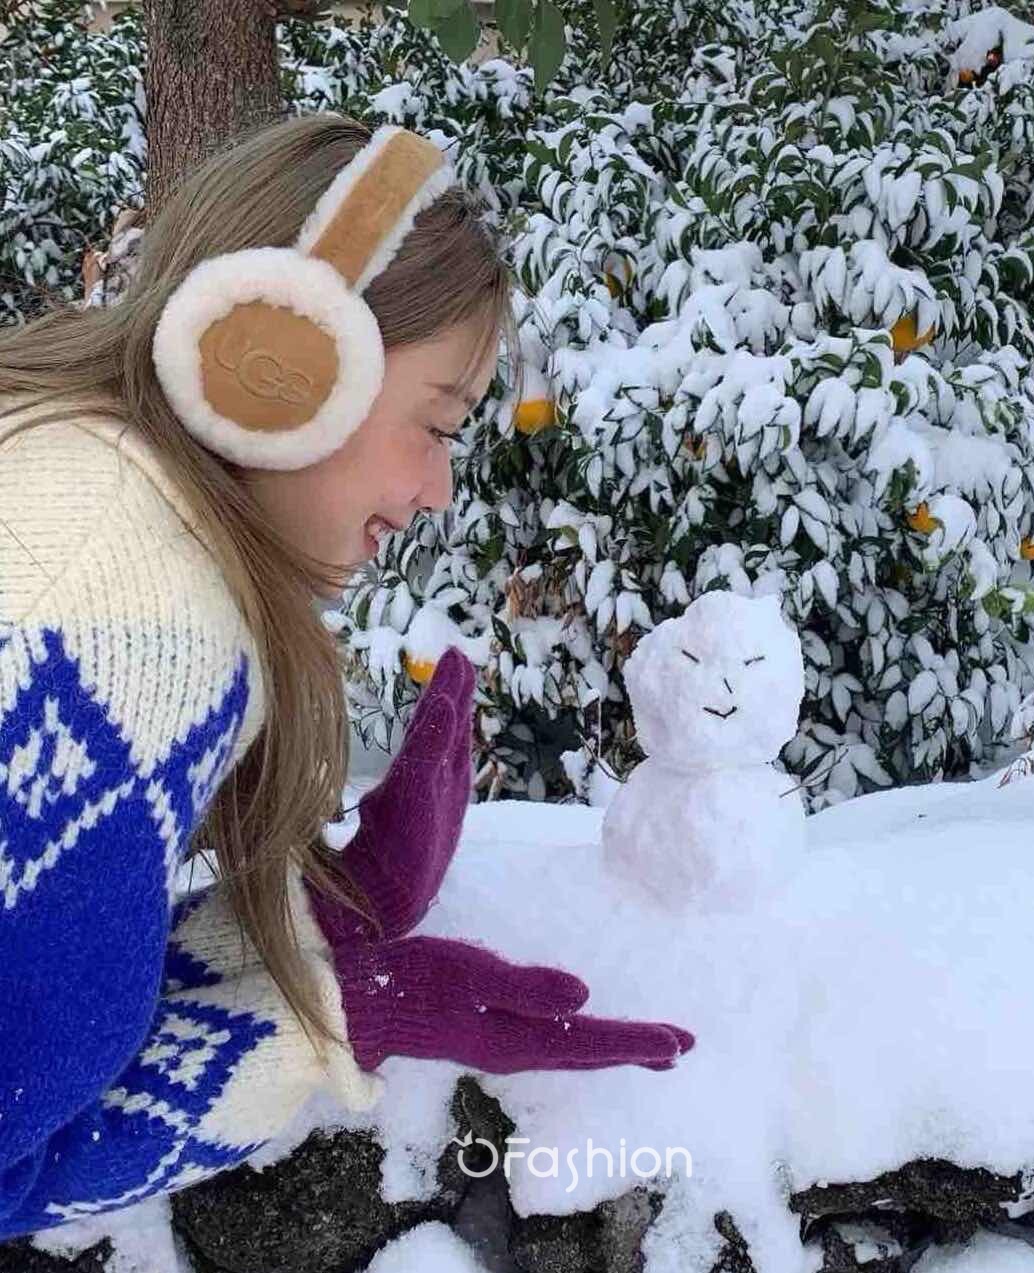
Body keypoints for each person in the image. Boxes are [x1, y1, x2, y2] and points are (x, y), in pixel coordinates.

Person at [0, 113, 694, 1241]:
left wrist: (322, 925)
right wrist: (341, 1019)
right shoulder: (116, 620)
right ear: (284, 364)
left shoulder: (68, 486)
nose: (440, 490)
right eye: (438, 423)